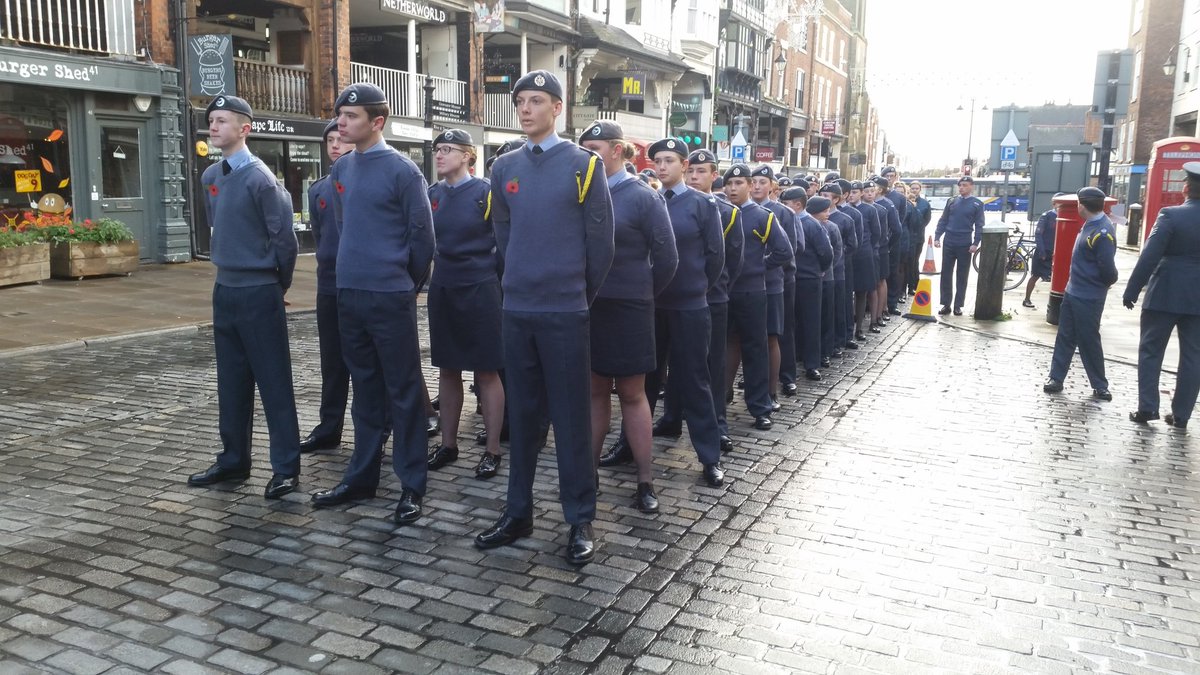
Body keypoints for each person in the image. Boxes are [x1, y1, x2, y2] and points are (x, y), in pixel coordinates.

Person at [474, 70, 615, 566]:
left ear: (558, 108)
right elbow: (503, 235)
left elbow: (601, 247)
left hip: (565, 311)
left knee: (571, 418)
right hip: (517, 309)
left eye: (537, 101)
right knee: (523, 416)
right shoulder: (503, 166)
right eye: (520, 102)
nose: (526, 109)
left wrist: (574, 294)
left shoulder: (584, 166)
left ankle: (579, 517)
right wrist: (520, 281)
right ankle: (519, 511)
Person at [310, 83, 435, 525]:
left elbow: (423, 239)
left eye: (352, 116)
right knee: (364, 388)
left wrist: (406, 285)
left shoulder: (404, 171)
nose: (341, 124)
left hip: (390, 295)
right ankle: (361, 475)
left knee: (403, 392)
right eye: (340, 115)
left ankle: (411, 484)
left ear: (376, 122)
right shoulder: (342, 172)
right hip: (350, 293)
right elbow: (344, 230)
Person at [188, 95, 301, 499]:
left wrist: (276, 286)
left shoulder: (262, 180)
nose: (213, 127)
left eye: (222, 121)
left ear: (244, 128)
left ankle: (286, 467)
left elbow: (284, 242)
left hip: (258, 290)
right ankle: (234, 459)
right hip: (226, 289)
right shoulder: (211, 177)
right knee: (231, 381)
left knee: (274, 382)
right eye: (211, 121)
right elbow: (219, 226)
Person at [582, 121, 678, 512]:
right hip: (591, 306)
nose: (589, 155)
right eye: (584, 148)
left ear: (619, 151)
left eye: (596, 148)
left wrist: (643, 295)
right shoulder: (581, 192)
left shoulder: (642, 196)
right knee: (594, 393)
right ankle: (586, 476)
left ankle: (644, 479)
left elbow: (667, 257)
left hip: (631, 307)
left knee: (634, 394)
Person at [423, 129, 508, 479]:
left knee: (487, 370)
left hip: (481, 288)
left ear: (468, 156)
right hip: (444, 286)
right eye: (437, 149)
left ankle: (492, 448)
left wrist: (494, 282)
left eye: (448, 150)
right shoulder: (431, 195)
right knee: (447, 368)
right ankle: (448, 443)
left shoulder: (487, 193)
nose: (440, 155)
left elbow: (504, 243)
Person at [657, 148, 743, 455]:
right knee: (656, 373)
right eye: (691, 171)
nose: (694, 176)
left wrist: (700, 287)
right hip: (659, 301)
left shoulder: (716, 208)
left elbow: (723, 258)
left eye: (700, 171)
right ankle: (661, 422)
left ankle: (712, 439)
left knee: (703, 371)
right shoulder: (654, 201)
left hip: (702, 299)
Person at [1124, 161, 1200, 430]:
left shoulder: (1170, 215)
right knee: (1193, 356)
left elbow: (1149, 256)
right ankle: (1182, 416)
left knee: (1151, 351)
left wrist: (1132, 289)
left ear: (1186, 187)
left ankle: (1148, 408)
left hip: (1165, 293)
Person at [723, 164, 793, 430]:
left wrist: (757, 267)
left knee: (755, 349)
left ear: (750, 186)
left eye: (739, 183)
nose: (732, 189)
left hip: (752, 291)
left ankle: (760, 406)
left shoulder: (762, 216)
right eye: (729, 184)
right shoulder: (718, 211)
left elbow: (784, 250)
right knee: (725, 347)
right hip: (724, 292)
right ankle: (721, 398)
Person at [300, 119, 349, 455]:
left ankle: (382, 426)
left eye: (340, 139)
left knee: (367, 364)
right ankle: (328, 427)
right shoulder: (318, 189)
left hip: (361, 285)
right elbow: (320, 237)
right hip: (329, 285)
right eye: (329, 140)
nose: (334, 145)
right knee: (332, 362)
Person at [1043, 187, 1118, 401]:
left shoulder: (1102, 232)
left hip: (1089, 296)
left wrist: (1104, 284)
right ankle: (1056, 378)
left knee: (1088, 340)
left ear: (1081, 206)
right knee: (1065, 336)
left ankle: (1100, 385)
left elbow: (1108, 270)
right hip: (1073, 291)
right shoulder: (1091, 224)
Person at [750, 165, 798, 405]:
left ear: (772, 186)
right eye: (754, 181)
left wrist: (761, 265)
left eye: (762, 182)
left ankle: (776, 386)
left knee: (774, 335)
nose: (757, 186)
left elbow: (791, 249)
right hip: (743, 286)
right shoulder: (737, 209)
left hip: (772, 282)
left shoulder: (783, 213)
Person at [781, 191, 834, 380]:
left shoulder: (812, 224)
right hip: (789, 279)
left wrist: (820, 271)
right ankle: (791, 360)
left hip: (809, 280)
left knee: (811, 322)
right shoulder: (784, 220)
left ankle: (812, 364)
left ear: (797, 204)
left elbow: (826, 253)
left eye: (786, 202)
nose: (782, 205)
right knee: (790, 323)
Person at [934, 175, 985, 316]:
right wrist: (938, 236)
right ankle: (946, 304)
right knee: (946, 274)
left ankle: (958, 305)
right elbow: (943, 220)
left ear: (971, 187)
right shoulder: (952, 201)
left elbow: (979, 225)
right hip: (949, 241)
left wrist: (976, 243)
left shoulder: (977, 204)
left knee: (962, 275)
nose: (962, 188)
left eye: (965, 185)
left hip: (965, 243)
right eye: (960, 185)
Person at [1024, 197, 1061, 309]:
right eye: (1059, 205)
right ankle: (1027, 299)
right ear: (1054, 204)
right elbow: (1038, 234)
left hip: (1057, 252)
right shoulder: (1047, 216)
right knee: (1035, 275)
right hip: (1045, 251)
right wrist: (1042, 251)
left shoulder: (1064, 216)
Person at [907, 181, 932, 295]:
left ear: (920, 190)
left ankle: (913, 285)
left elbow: (926, 220)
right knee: (907, 262)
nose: (914, 190)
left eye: (917, 188)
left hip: (918, 238)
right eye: (912, 188)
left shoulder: (925, 204)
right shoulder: (906, 201)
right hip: (907, 237)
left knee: (914, 261)